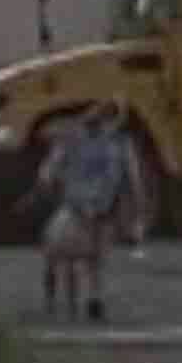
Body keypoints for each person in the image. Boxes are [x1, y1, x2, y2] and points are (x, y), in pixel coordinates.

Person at [35, 106, 142, 324]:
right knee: (65, 252)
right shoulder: (76, 141)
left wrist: (133, 203)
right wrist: (47, 179)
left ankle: (93, 300)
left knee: (93, 255)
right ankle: (73, 300)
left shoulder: (118, 143)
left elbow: (131, 175)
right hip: (82, 206)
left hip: (97, 208)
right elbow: (51, 168)